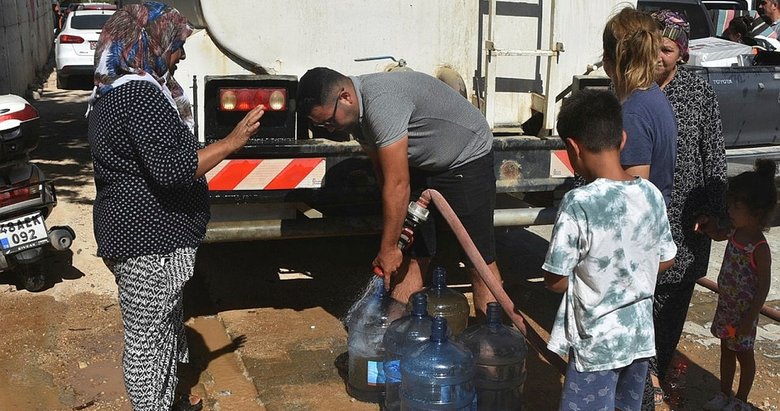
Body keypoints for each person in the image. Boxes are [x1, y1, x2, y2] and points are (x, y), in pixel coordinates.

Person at [86, 3, 265, 410]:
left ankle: (169, 402)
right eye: (175, 46)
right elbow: (172, 168)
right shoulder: (137, 94)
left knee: (162, 329)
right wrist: (232, 142)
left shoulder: (113, 91)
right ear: (148, 42)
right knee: (147, 342)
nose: (181, 55)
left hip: (142, 236)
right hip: (143, 240)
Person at [296, 67, 501, 317]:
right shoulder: (354, 117)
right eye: (321, 125)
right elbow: (384, 174)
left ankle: (493, 344)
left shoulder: (381, 102)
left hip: (465, 155)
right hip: (422, 162)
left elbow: (397, 185)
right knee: (414, 255)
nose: (329, 129)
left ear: (345, 97)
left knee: (478, 260)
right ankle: (394, 334)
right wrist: (396, 239)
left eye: (329, 121)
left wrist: (389, 248)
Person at [543, 89, 677, 411]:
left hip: (597, 345)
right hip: (639, 337)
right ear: (624, 138)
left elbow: (556, 278)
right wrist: (629, 275)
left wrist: (600, 282)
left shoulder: (580, 203)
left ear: (573, 148)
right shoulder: (651, 194)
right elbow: (667, 257)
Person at [641, 10, 730, 409]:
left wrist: (715, 210)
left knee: (673, 304)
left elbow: (715, 157)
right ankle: (647, 380)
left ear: (682, 53)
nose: (658, 57)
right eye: (652, 47)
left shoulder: (699, 93)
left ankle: (657, 368)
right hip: (640, 222)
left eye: (667, 49)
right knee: (639, 303)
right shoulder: (627, 90)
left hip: (686, 222)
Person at [697, 159, 776, 411]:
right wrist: (708, 227)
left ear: (756, 212)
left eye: (736, 205)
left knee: (744, 356)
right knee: (726, 351)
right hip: (727, 308)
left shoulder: (760, 248)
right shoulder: (734, 231)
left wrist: (750, 317)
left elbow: (763, 286)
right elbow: (720, 234)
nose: (729, 209)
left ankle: (740, 400)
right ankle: (724, 393)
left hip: (744, 315)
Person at [602, 7, 678, 206]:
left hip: (636, 231)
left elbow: (634, 198)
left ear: (607, 61)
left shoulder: (633, 113)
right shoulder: (651, 97)